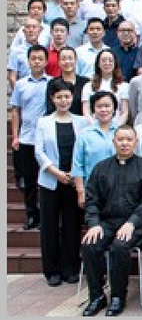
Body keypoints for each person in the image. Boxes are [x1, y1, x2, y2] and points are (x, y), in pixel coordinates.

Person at [80, 125, 142, 317]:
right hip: (107, 222)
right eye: (120, 139)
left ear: (135, 142)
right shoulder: (101, 168)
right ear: (113, 142)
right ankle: (97, 296)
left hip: (137, 224)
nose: (124, 143)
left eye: (129, 140)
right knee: (90, 245)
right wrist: (94, 223)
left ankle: (117, 296)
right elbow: (91, 199)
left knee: (119, 246)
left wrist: (132, 222)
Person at [34, 79, 86, 286]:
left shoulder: (82, 122)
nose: (64, 100)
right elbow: (39, 152)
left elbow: (83, 151)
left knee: (72, 226)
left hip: (74, 181)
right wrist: (55, 172)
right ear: (52, 99)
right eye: (59, 97)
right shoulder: (43, 122)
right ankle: (52, 270)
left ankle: (70, 268)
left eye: (67, 96)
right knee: (49, 226)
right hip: (50, 181)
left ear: (72, 98)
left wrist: (74, 174)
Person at [10, 45, 50, 230]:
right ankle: (32, 215)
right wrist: (15, 136)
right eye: (33, 58)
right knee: (29, 180)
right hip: (27, 138)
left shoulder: (52, 83)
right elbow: (15, 110)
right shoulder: (20, 84)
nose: (37, 62)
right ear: (28, 61)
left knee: (47, 180)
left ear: (46, 61)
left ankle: (47, 216)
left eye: (40, 58)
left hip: (47, 139)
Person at [71, 91, 119, 212]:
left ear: (114, 108)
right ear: (93, 109)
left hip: (119, 190)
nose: (103, 110)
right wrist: (81, 191)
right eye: (99, 106)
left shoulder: (122, 131)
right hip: (93, 190)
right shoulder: (84, 134)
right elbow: (77, 165)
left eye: (107, 106)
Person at [80, 49, 129, 125]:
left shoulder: (123, 85)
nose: (107, 63)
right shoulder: (88, 86)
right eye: (103, 60)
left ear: (115, 63)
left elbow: (124, 112)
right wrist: (96, 127)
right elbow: (86, 112)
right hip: (94, 127)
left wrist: (116, 128)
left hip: (116, 127)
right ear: (98, 64)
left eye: (110, 61)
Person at [46, 48, 89, 115]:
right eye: (63, 59)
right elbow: (50, 108)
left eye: (70, 58)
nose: (67, 62)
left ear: (76, 60)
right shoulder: (52, 83)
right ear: (58, 61)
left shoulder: (86, 83)